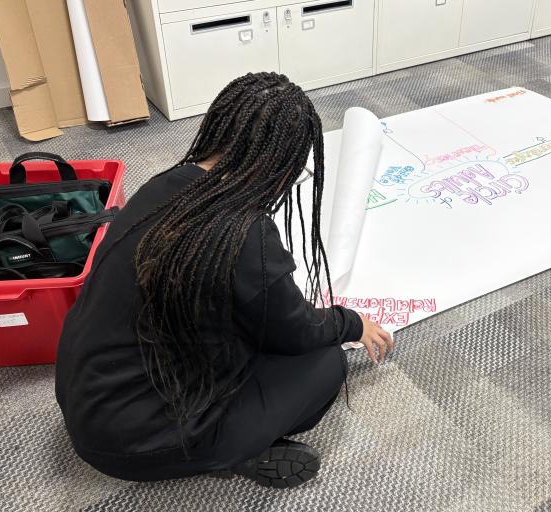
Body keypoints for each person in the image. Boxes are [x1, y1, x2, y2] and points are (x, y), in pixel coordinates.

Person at [55, 73, 394, 487]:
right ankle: (226, 454)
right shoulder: (245, 235)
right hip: (135, 442)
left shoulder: (164, 185)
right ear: (281, 163)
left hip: (83, 398)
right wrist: (353, 323)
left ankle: (218, 443)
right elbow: (297, 332)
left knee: (243, 329)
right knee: (325, 363)